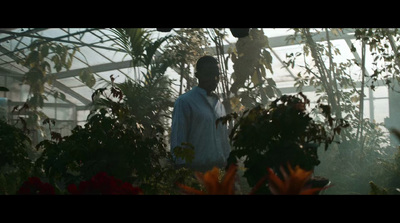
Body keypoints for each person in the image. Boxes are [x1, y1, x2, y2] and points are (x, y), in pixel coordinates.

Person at [170, 55, 231, 172]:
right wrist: (183, 172)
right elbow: (179, 140)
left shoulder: (219, 106)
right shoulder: (185, 102)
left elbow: (224, 141)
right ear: (198, 75)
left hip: (219, 171)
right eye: (208, 74)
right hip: (196, 171)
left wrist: (229, 167)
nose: (213, 79)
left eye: (216, 75)